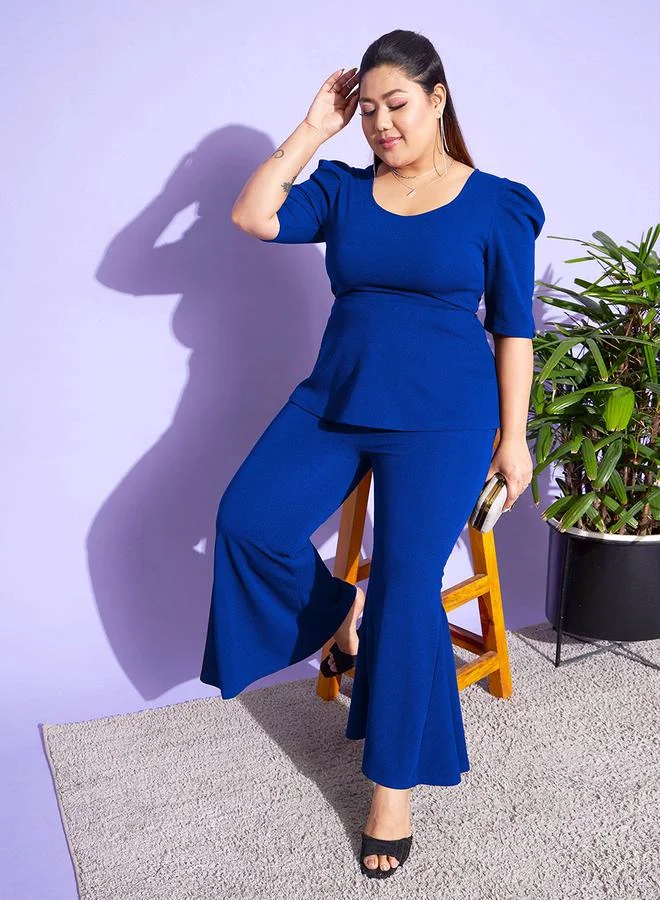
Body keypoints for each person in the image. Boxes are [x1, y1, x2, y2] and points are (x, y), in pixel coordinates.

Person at [200, 28, 543, 880]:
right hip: (337, 397)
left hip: (444, 418)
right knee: (247, 521)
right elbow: (252, 215)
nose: (382, 123)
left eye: (398, 105)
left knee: (404, 585)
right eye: (370, 110)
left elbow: (514, 330)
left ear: (437, 100)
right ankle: (334, 617)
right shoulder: (343, 190)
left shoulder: (496, 205)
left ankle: (392, 789)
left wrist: (515, 438)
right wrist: (314, 128)